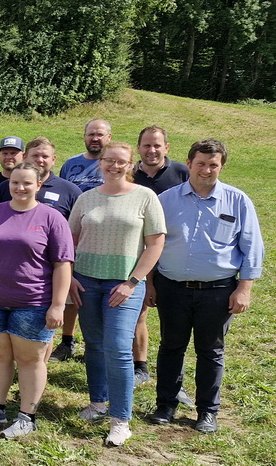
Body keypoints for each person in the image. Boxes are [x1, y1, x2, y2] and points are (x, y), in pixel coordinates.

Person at [145, 138, 263, 434]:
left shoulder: (238, 201)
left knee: (210, 351)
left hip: (218, 290)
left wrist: (244, 288)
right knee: (171, 346)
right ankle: (166, 405)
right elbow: (150, 243)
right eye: (201, 163)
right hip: (172, 287)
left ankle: (207, 411)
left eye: (213, 165)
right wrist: (149, 283)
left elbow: (252, 247)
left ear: (222, 166)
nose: (206, 170)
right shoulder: (167, 200)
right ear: (189, 164)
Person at [0, 162, 75, 439]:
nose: (20, 188)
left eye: (27, 183)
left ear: (39, 185)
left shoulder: (51, 218)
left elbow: (63, 264)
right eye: (15, 182)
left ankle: (27, 416)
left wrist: (58, 304)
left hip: (33, 302)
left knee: (30, 360)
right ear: (8, 184)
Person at [68, 141, 166, 446]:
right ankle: (98, 402)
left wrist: (133, 282)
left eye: (121, 161)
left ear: (131, 164)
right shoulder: (85, 198)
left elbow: (155, 244)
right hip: (86, 281)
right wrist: (69, 275)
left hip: (124, 285)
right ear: (101, 163)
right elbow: (69, 239)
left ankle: (121, 419)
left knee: (119, 348)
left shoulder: (144, 197)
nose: (114, 165)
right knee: (94, 345)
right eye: (109, 160)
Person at [0, 137, 83, 361]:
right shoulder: (6, 188)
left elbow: (77, 233)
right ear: (25, 157)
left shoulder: (70, 191)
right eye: (35, 155)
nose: (40, 160)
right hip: (11, 274)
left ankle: (36, 371)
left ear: (53, 159)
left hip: (52, 273)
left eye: (45, 156)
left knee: (42, 332)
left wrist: (70, 272)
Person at [130, 126, 189, 385]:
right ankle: (139, 364)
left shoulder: (182, 173)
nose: (151, 150)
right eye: (146, 145)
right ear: (139, 148)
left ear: (167, 147)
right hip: (137, 250)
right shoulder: (129, 174)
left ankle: (175, 376)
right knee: (138, 311)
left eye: (157, 145)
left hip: (172, 251)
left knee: (173, 321)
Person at [60, 119, 112, 192]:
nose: (95, 139)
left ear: (109, 137)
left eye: (100, 135)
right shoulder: (70, 164)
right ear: (85, 137)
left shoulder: (117, 165)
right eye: (91, 134)